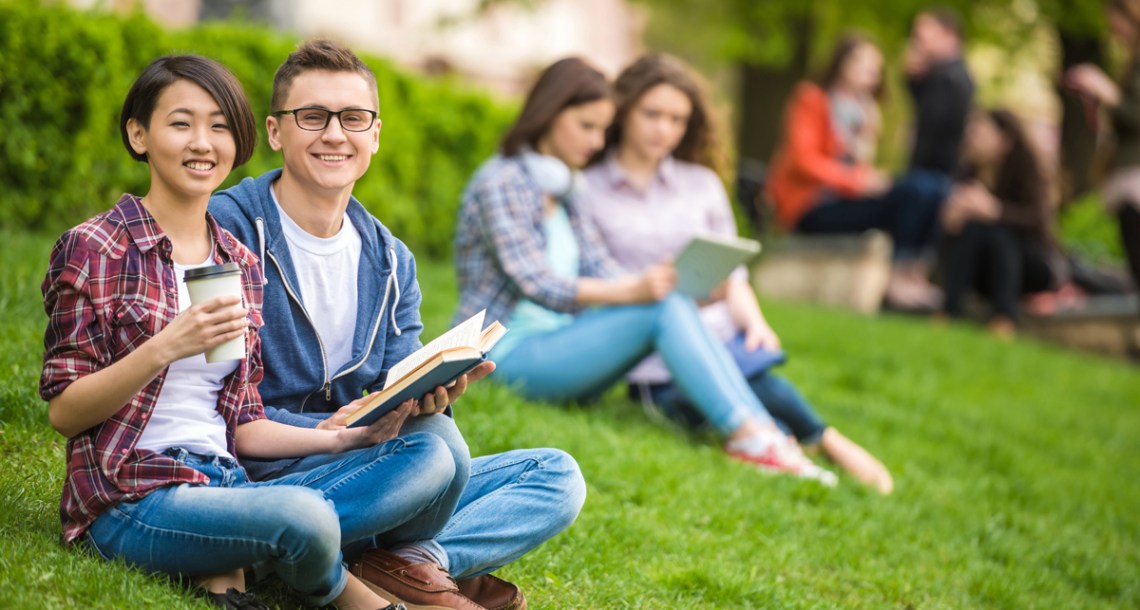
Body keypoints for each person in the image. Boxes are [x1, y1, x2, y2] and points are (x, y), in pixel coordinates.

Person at [40, 54, 426, 610]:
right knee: (305, 514)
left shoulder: (235, 261)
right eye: (181, 124)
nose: (203, 143)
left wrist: (341, 438)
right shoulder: (96, 247)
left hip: (225, 482)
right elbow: (65, 413)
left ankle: (241, 565)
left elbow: (242, 423)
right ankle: (343, 592)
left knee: (420, 455)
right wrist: (166, 346)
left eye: (219, 126)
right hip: (133, 492)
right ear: (139, 133)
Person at [209, 39, 581, 610]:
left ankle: (410, 563)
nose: (335, 134)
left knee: (555, 475)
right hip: (267, 469)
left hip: (369, 464)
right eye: (313, 116)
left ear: (375, 135)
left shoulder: (390, 258)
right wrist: (335, 433)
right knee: (434, 455)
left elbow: (393, 382)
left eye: (354, 118)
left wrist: (427, 393)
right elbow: (220, 403)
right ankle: (294, 546)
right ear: (277, 131)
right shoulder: (229, 228)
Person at [453, 57, 836, 485]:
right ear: (549, 114)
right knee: (657, 305)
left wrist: (663, 283)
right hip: (501, 356)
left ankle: (760, 434)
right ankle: (754, 437)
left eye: (603, 129)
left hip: (562, 345)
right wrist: (636, 292)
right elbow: (538, 283)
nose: (598, 142)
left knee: (666, 300)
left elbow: (603, 267)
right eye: (587, 126)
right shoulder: (501, 181)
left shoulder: (566, 187)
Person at [579, 53, 893, 494]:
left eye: (677, 119)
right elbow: (584, 278)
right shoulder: (588, 187)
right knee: (719, 390)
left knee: (752, 370)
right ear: (624, 110)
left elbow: (733, 270)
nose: (664, 129)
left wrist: (755, 323)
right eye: (652, 114)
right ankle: (817, 440)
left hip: (718, 328)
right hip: (647, 349)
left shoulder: (700, 183)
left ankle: (806, 441)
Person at [766, 34, 947, 310]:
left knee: (935, 186)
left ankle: (913, 273)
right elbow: (802, 160)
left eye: (875, 70)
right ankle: (896, 280)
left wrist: (867, 141)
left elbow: (859, 165)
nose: (870, 76)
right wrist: (858, 181)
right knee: (913, 191)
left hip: (844, 200)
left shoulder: (863, 112)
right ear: (841, 63)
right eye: (862, 65)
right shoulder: (812, 98)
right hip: (810, 204)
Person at [938, 109, 1064, 335]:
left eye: (981, 133)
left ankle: (1004, 317)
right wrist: (951, 220)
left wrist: (995, 211)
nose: (972, 138)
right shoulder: (967, 172)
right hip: (985, 272)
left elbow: (1039, 219)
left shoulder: (1026, 170)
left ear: (1004, 141)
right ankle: (949, 310)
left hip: (1032, 266)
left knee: (998, 233)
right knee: (975, 227)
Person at [1065, 0, 1140, 307]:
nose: (1113, 31)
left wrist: (1108, 92)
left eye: (1115, 22)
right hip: (1124, 171)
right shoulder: (1131, 61)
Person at [904, 6, 975, 177]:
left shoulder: (948, 78)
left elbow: (932, 130)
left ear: (949, 36)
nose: (918, 43)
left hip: (932, 172)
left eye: (924, 36)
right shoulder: (948, 74)